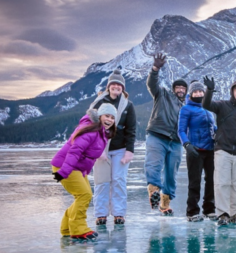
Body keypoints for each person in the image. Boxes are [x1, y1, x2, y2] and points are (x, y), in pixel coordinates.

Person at [51, 105, 117, 241]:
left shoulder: (100, 132)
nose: (109, 120)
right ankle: (78, 229)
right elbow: (75, 151)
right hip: (65, 166)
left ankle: (66, 228)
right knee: (84, 195)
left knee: (84, 195)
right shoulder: (91, 131)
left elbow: (87, 155)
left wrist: (84, 170)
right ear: (99, 116)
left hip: (77, 168)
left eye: (112, 117)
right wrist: (64, 172)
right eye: (107, 116)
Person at [202, 76, 236, 226]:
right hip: (222, 149)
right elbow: (206, 104)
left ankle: (233, 213)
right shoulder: (222, 105)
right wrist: (209, 90)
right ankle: (223, 213)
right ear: (232, 92)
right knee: (222, 183)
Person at [89, 68, 136, 226]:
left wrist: (129, 151)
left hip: (120, 149)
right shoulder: (99, 103)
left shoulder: (128, 105)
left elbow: (131, 130)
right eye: (113, 84)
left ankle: (119, 214)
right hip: (101, 147)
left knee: (119, 181)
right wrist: (97, 149)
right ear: (108, 86)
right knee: (102, 181)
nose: (116, 86)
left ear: (123, 88)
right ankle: (101, 214)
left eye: (119, 85)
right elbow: (92, 126)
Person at [145, 53, 187, 216]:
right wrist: (155, 69)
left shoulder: (186, 107)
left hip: (176, 142)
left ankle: (165, 203)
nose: (181, 90)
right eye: (178, 87)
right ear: (173, 89)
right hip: (157, 135)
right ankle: (154, 191)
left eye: (184, 88)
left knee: (171, 173)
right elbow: (151, 84)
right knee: (153, 165)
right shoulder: (162, 94)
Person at [177, 80, 217, 222]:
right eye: (196, 91)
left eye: (201, 91)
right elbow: (181, 130)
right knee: (195, 181)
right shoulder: (186, 109)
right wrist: (187, 145)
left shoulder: (208, 109)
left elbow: (214, 128)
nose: (199, 94)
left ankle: (209, 209)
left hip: (210, 149)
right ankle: (192, 211)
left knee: (211, 180)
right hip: (195, 150)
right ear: (191, 93)